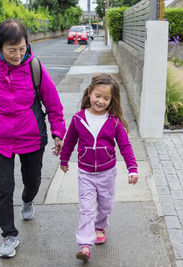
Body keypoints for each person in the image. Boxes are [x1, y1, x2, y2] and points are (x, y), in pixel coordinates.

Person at [0, 20, 66, 258]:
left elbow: (53, 104)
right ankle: (9, 236)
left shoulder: (35, 68)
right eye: (11, 50)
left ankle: (28, 200)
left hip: (31, 136)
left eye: (21, 48)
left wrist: (57, 133)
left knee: (32, 180)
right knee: (3, 188)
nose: (17, 54)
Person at [59, 73, 138, 260]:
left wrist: (132, 168)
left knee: (106, 205)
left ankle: (100, 226)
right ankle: (85, 245)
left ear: (112, 100)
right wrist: (64, 159)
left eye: (106, 98)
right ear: (89, 94)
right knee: (86, 209)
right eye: (97, 96)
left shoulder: (114, 121)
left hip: (107, 173)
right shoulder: (78, 119)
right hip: (85, 173)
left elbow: (125, 146)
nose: (100, 101)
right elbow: (69, 141)